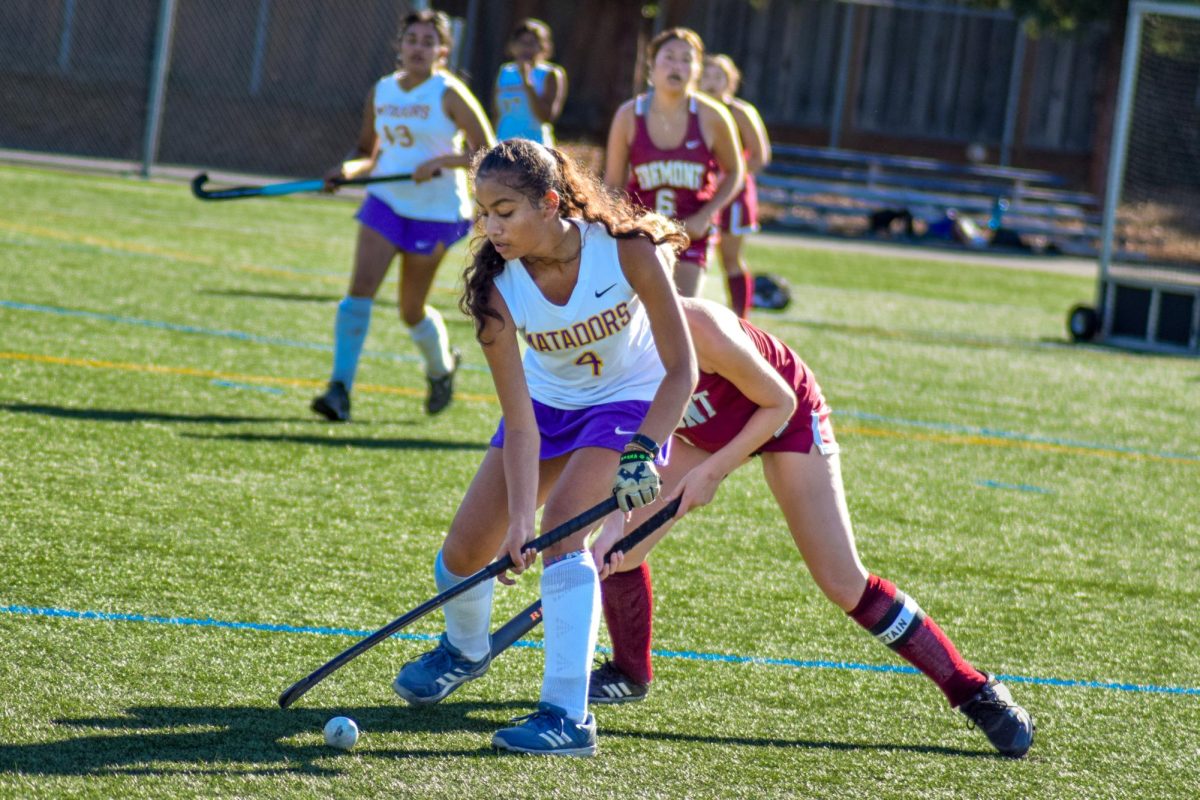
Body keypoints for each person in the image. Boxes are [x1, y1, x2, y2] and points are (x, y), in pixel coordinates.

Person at [585, 297, 1036, 759]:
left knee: (844, 582)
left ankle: (973, 690)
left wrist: (714, 472)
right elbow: (630, 442)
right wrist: (613, 524)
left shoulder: (698, 326)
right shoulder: (598, 342)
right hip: (700, 433)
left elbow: (780, 402)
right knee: (623, 548)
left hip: (786, 419)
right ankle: (629, 672)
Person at [390, 139, 698, 757]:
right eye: (483, 212)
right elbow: (520, 423)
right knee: (461, 553)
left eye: (505, 211)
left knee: (563, 534)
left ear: (551, 202)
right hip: (546, 409)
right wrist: (517, 521)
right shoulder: (495, 291)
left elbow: (682, 370)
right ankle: (466, 649)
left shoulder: (627, 251)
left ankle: (567, 715)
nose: (490, 227)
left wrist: (644, 450)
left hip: (627, 402)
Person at [311, 9, 494, 422]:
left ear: (442, 51)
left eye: (428, 42)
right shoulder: (382, 91)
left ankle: (441, 367)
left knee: (410, 310)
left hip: (436, 212)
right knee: (360, 289)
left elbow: (489, 152)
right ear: (401, 44)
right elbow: (365, 153)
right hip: (386, 202)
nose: (418, 48)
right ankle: (339, 389)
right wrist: (345, 171)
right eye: (412, 39)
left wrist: (443, 161)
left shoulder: (448, 93)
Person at [605, 28, 744, 299]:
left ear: (697, 69)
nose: (677, 66)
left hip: (690, 233)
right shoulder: (629, 115)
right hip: (641, 232)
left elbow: (735, 170)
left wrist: (706, 216)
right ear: (651, 65)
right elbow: (612, 183)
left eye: (686, 59)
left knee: (683, 310)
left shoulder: (712, 116)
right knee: (636, 318)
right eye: (668, 57)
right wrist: (611, 225)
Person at [699, 54, 771, 318]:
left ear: (731, 82)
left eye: (718, 77)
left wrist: (731, 177)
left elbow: (761, 155)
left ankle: (741, 318)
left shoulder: (739, 112)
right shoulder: (690, 110)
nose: (711, 82)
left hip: (734, 195)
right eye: (706, 76)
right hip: (696, 193)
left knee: (729, 258)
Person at [493, 18, 567, 146]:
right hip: (504, 146)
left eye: (532, 43)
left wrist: (527, 82)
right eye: (522, 42)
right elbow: (497, 113)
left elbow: (546, 117)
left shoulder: (551, 73)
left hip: (536, 148)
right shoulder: (504, 71)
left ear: (543, 48)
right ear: (513, 46)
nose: (526, 48)